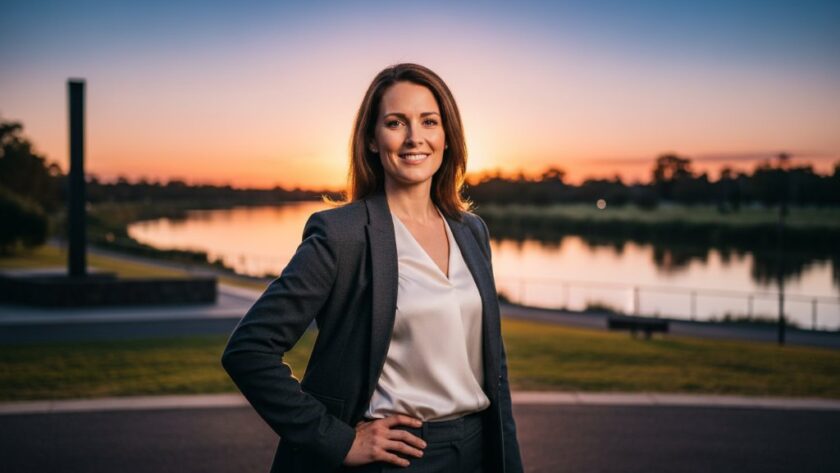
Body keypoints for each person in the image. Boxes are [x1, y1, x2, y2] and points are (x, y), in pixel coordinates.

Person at [221, 63, 523, 473]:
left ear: (447, 136)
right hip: (395, 460)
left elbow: (494, 366)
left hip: (477, 450)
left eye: (429, 122)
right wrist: (339, 441)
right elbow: (249, 350)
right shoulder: (341, 235)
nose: (415, 138)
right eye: (396, 122)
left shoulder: (471, 231)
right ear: (371, 140)